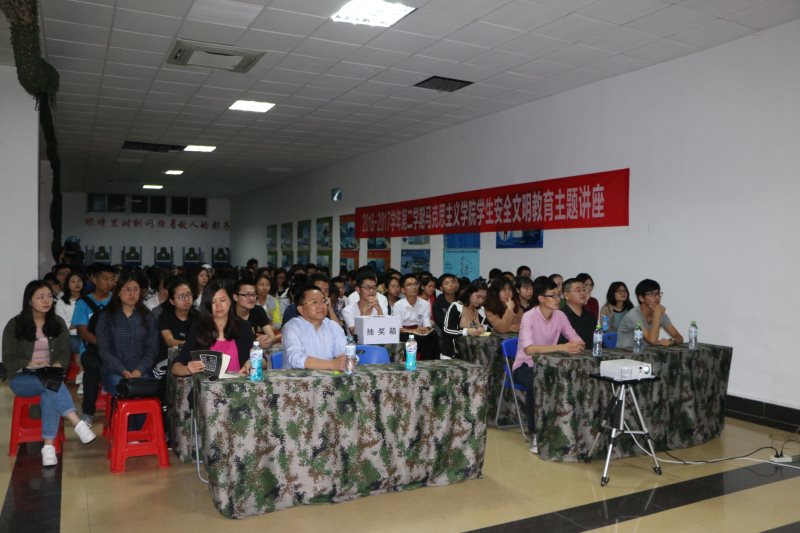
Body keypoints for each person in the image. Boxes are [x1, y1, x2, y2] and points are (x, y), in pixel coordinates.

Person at [2, 281, 97, 466]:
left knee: (49, 389)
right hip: (22, 378)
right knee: (51, 383)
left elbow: (63, 353)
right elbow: (9, 358)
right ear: (29, 301)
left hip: (49, 375)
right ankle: (76, 421)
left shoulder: (57, 323)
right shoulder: (15, 325)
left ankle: (48, 447)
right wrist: (31, 364)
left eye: (49, 296)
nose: (46, 301)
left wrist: (58, 365)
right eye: (40, 297)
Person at [513, 277, 585, 454]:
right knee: (536, 383)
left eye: (558, 295)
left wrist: (576, 345)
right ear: (541, 298)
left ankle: (568, 429)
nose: (557, 299)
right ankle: (536, 433)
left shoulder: (560, 316)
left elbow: (576, 339)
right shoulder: (529, 317)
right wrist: (562, 347)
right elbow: (529, 349)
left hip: (550, 366)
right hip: (525, 366)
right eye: (553, 295)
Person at [95, 272, 159, 399]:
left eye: (136, 289)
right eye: (127, 290)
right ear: (118, 292)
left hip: (142, 370)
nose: (132, 294)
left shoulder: (148, 317)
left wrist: (139, 370)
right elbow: (104, 351)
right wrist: (122, 370)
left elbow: (152, 348)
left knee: (147, 393)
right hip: (114, 370)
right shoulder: (106, 317)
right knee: (124, 390)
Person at [172, 281, 255, 376]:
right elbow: (175, 366)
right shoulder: (199, 328)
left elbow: (263, 360)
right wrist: (187, 369)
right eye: (213, 302)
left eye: (222, 300)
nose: (218, 305)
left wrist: (251, 363)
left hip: (239, 384)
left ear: (229, 301)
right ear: (207, 305)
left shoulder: (244, 327)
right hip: (208, 385)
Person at [71, 264, 116, 423]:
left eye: (112, 279)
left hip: (116, 349)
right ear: (94, 279)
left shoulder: (117, 301)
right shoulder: (83, 303)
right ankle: (88, 413)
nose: (109, 283)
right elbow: (82, 332)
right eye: (105, 279)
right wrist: (103, 345)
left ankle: (119, 410)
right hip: (91, 349)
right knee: (93, 367)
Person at [283, 286, 348, 370]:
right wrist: (331, 364)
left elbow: (345, 353)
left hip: (328, 376)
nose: (321, 306)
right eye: (314, 302)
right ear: (301, 309)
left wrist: (348, 359)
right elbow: (296, 359)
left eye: (323, 301)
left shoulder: (333, 326)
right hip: (298, 377)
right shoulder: (292, 327)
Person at [617, 279, 684, 348]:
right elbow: (653, 341)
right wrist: (657, 315)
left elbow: (679, 337)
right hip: (624, 353)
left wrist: (671, 341)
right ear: (641, 298)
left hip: (644, 353)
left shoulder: (659, 313)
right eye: (651, 294)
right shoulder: (633, 315)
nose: (657, 297)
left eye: (658, 293)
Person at [392, 273, 437, 360]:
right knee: (407, 337)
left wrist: (425, 329)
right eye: (409, 285)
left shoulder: (424, 304)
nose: (414, 287)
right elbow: (398, 328)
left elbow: (427, 323)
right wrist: (414, 331)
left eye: (415, 284)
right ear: (403, 290)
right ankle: (409, 362)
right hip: (405, 333)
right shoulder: (398, 305)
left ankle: (426, 363)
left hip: (420, 333)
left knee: (433, 334)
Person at [441, 279, 490, 358]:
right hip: (452, 356)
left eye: (483, 298)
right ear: (470, 293)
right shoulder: (456, 307)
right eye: (478, 296)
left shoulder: (481, 310)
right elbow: (447, 330)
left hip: (475, 355)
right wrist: (466, 331)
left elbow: (490, 329)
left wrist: (484, 328)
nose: (480, 300)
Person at [157, 278, 196, 362]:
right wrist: (191, 344)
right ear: (172, 301)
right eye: (181, 296)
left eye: (189, 295)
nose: (186, 299)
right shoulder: (165, 317)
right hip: (168, 358)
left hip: (192, 357)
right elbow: (170, 341)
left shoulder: (198, 317)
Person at [342, 271, 388, 337]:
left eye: (374, 287)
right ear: (358, 289)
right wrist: (364, 313)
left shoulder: (382, 309)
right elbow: (354, 333)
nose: (371, 291)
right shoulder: (348, 310)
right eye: (368, 287)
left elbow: (385, 332)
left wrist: (380, 312)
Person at [233, 279, 276, 350]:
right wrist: (255, 342)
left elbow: (272, 337)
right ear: (236, 297)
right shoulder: (228, 314)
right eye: (247, 294)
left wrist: (267, 341)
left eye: (253, 294)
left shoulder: (258, 310)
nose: (252, 298)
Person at [55, 271, 85, 355]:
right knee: (80, 346)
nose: (77, 284)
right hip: (71, 335)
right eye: (73, 281)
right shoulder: (61, 302)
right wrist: (80, 325)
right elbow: (62, 323)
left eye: (79, 281)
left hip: (88, 333)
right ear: (67, 285)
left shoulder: (88, 300)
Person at [559, 278, 595, 346]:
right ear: (566, 295)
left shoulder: (591, 316)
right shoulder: (559, 316)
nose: (583, 293)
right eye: (578, 290)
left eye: (584, 290)